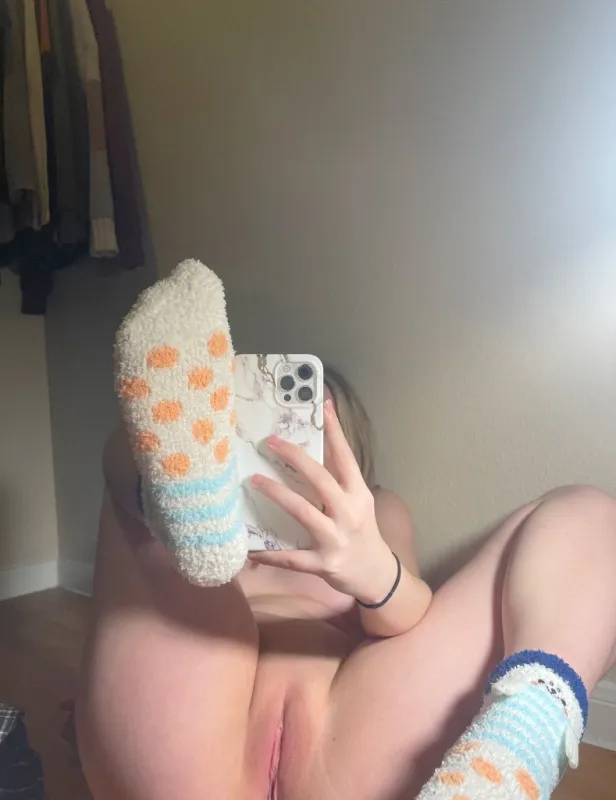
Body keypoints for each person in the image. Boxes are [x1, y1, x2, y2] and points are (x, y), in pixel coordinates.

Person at [76, 262, 616, 800]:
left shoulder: (379, 511)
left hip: (349, 750)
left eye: (307, 433)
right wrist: (203, 512)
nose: (284, 451)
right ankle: (183, 496)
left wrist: (373, 573)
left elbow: (405, 624)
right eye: (262, 432)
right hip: (192, 729)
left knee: (589, 513)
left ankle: (516, 745)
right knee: (133, 458)